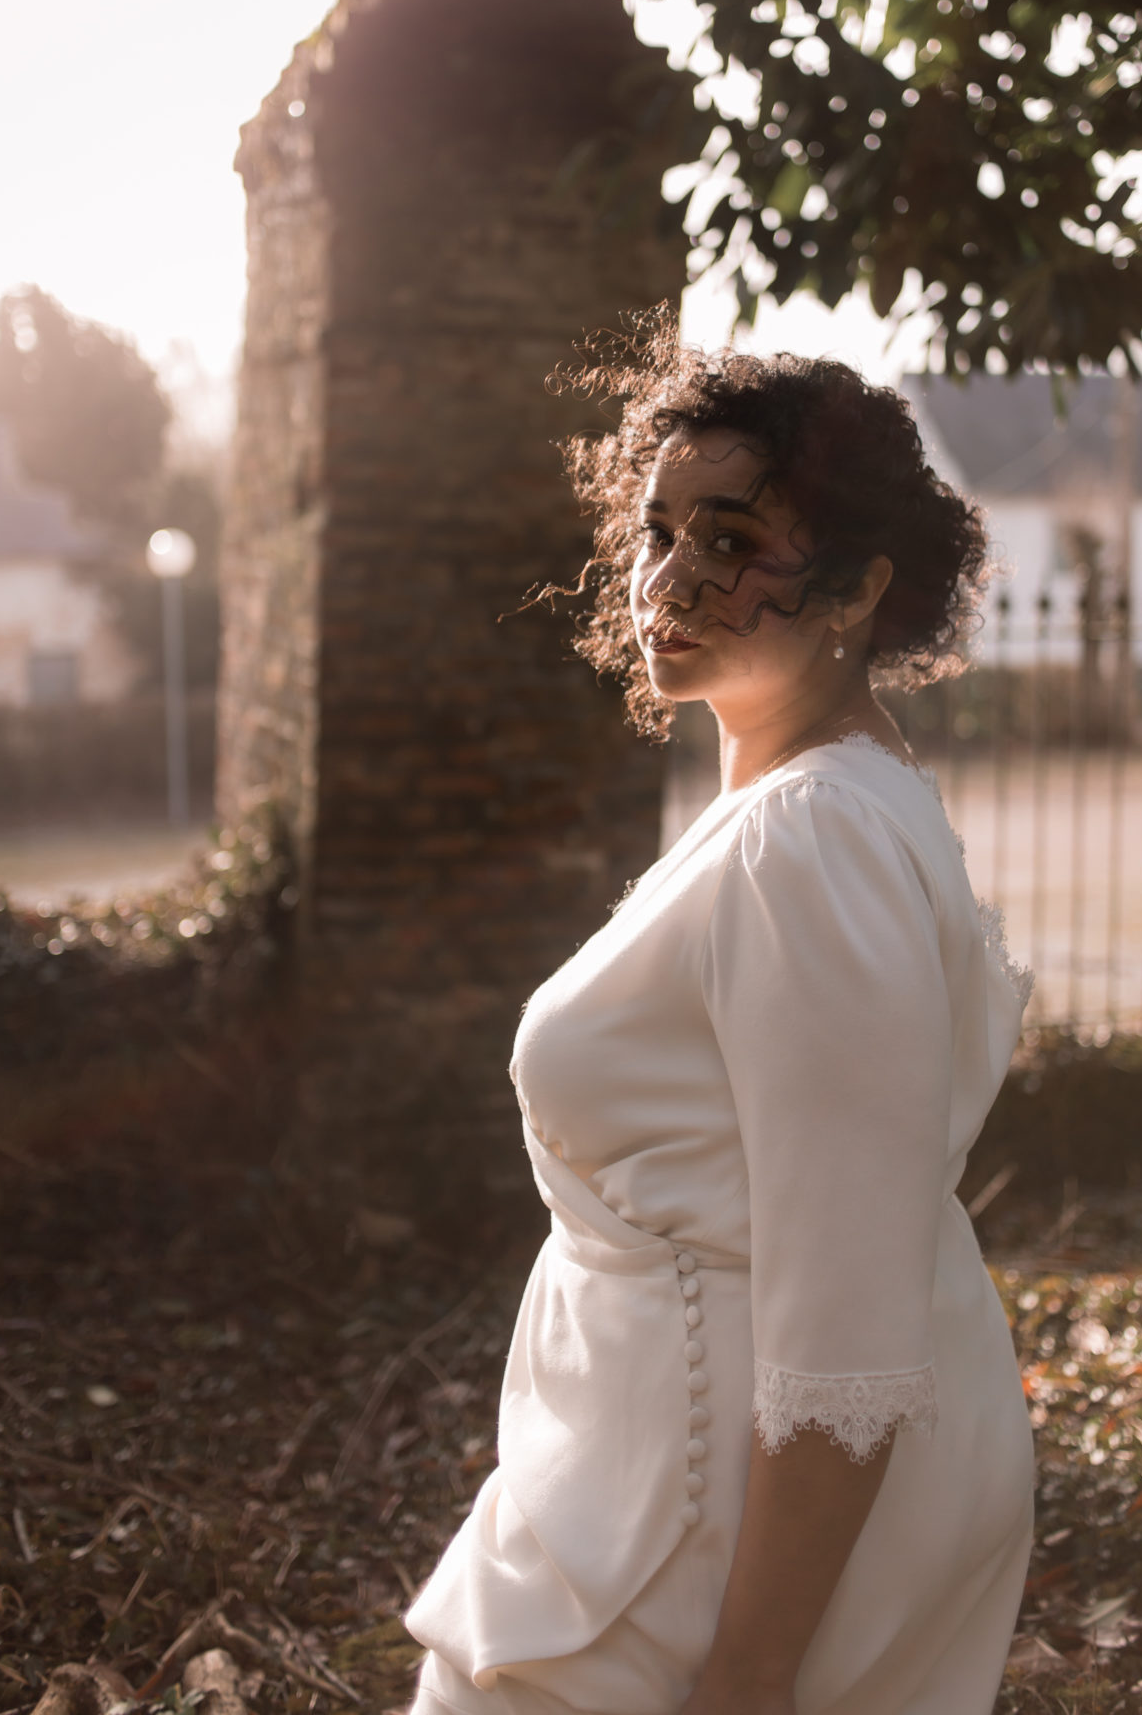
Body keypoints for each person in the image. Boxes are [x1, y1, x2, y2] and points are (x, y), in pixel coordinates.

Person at [404, 337, 1035, 1715]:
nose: (671, 575)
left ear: (861, 589)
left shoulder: (810, 841)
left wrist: (751, 1671)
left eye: (733, 537)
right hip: (653, 1478)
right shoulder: (810, 807)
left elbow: (847, 1320)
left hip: (705, 1527)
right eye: (659, 528)